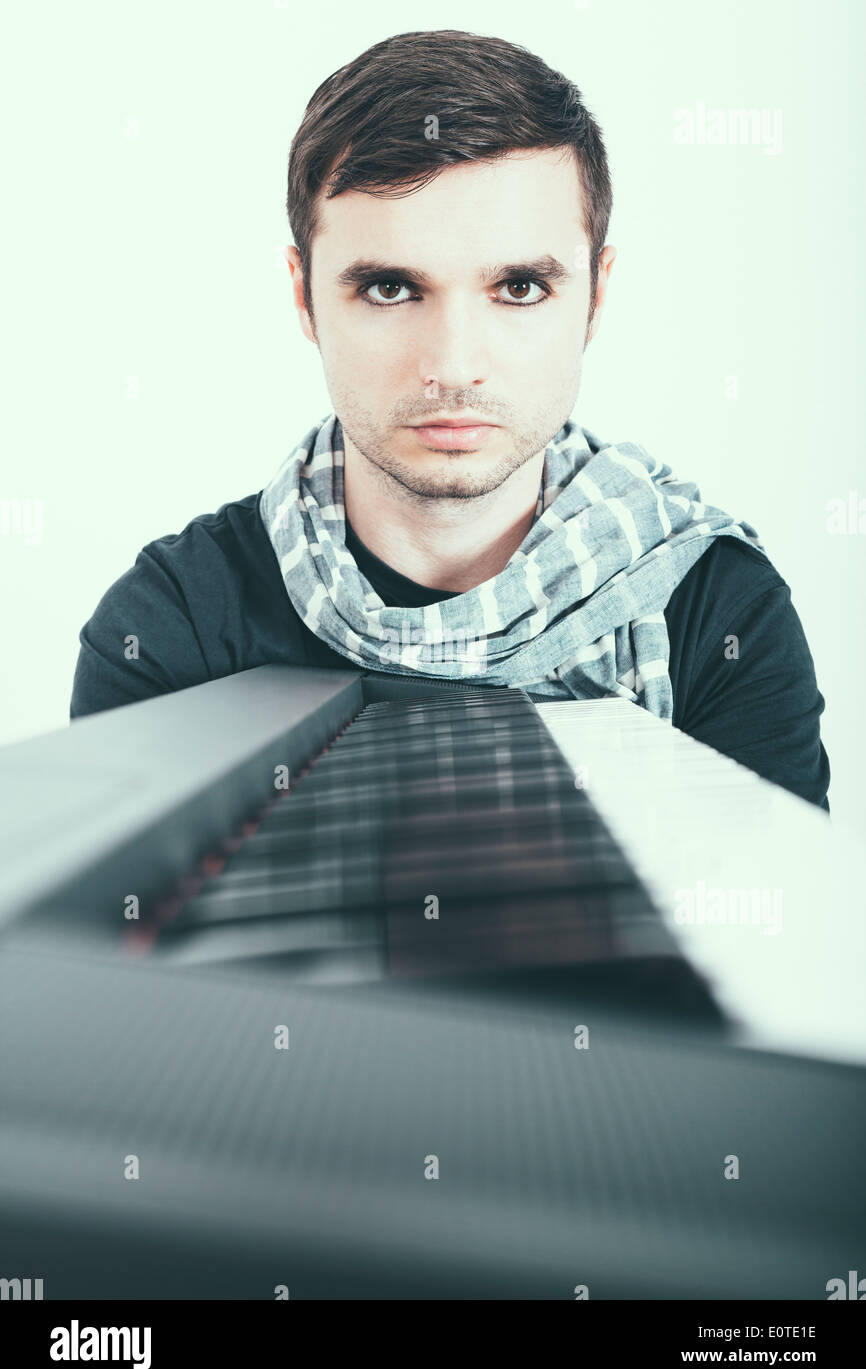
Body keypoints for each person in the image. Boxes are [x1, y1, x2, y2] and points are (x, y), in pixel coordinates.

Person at [70, 29, 830, 810]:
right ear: (303, 296)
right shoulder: (176, 623)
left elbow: (771, 929)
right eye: (392, 289)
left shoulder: (718, 611)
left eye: (520, 288)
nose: (455, 364)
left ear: (596, 296)